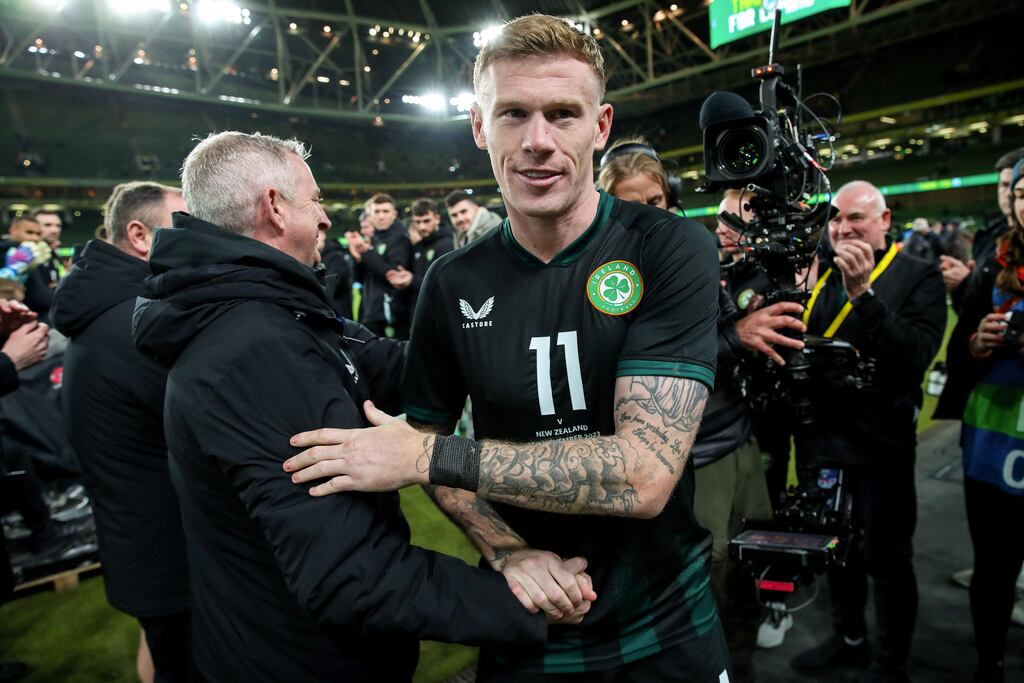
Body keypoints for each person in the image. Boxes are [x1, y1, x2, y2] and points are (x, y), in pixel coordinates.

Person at [284, 15, 731, 681]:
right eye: (514, 113)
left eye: (563, 114)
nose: (538, 141)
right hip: (524, 632)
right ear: (478, 126)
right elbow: (432, 446)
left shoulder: (669, 246)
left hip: (665, 635)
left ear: (600, 126)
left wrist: (429, 454)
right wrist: (504, 548)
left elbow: (644, 476)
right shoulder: (452, 283)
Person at [130, 131, 592, 683]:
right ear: (275, 208)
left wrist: (542, 337)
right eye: (316, 199)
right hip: (300, 663)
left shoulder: (277, 311)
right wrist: (519, 601)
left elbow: (394, 365)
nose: (326, 218)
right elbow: (349, 573)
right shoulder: (255, 351)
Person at [791, 180, 946, 682]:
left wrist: (865, 295)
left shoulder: (918, 275)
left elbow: (916, 357)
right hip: (827, 440)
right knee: (840, 552)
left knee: (887, 557)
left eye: (856, 218)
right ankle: (848, 639)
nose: (843, 227)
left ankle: (889, 663)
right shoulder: (823, 274)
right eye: (836, 219)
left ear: (885, 221)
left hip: (883, 444)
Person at [50, 181, 197, 683]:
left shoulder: (110, 307)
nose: (199, 233)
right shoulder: (133, 321)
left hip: (143, 542)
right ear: (139, 235)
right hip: (169, 551)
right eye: (184, 220)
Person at [944, 159, 1024, 683]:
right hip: (993, 445)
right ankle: (988, 663)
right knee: (993, 570)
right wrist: (977, 343)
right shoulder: (991, 265)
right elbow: (958, 353)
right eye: (1022, 192)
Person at [940, 148, 1024, 297]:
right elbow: (974, 311)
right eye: (1004, 185)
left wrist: (968, 280)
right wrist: (967, 282)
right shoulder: (987, 239)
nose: (1010, 193)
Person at [387, 197, 453, 319]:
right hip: (418, 313)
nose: (422, 227)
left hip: (439, 315)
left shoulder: (447, 244)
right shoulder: (418, 246)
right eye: (418, 222)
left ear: (437, 219)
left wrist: (412, 280)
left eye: (426, 221)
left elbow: (444, 285)